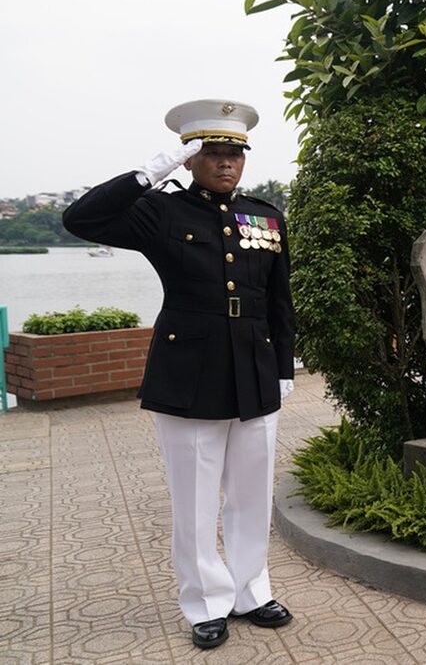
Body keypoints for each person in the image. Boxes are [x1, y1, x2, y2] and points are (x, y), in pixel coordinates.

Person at [62, 99, 295, 649]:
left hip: (256, 369)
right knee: (193, 497)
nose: (225, 163)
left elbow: (280, 301)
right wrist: (148, 174)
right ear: (190, 160)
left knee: (252, 492)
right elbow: (80, 219)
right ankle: (205, 602)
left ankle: (251, 590)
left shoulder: (265, 215)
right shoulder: (160, 211)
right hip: (189, 370)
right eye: (211, 153)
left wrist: (283, 366)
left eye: (234, 153)